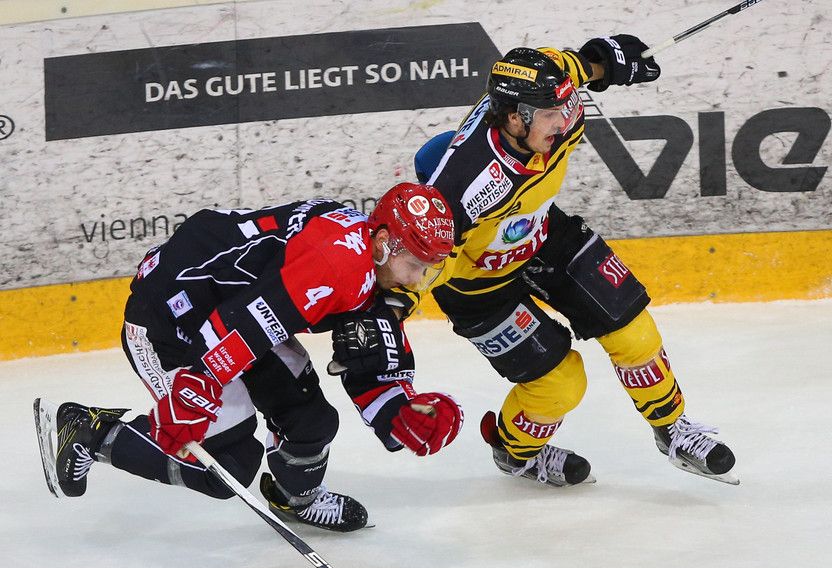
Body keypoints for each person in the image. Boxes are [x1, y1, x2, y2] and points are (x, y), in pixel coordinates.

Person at [34, 184, 465, 532]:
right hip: (169, 316)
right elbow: (247, 320)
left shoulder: (369, 261)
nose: (419, 280)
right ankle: (94, 432)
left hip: (232, 309)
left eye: (429, 269)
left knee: (310, 420)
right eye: (415, 264)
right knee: (227, 468)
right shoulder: (336, 262)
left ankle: (295, 499)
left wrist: (403, 412)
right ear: (384, 243)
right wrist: (198, 384)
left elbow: (365, 355)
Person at [404, 39, 737, 485]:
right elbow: (413, 271)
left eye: (565, 106)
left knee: (634, 331)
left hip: (542, 234)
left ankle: (673, 430)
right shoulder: (465, 185)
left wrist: (607, 62)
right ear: (514, 118)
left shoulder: (547, 91)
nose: (564, 121)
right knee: (561, 383)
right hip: (477, 287)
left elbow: (575, 65)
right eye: (550, 114)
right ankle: (515, 453)